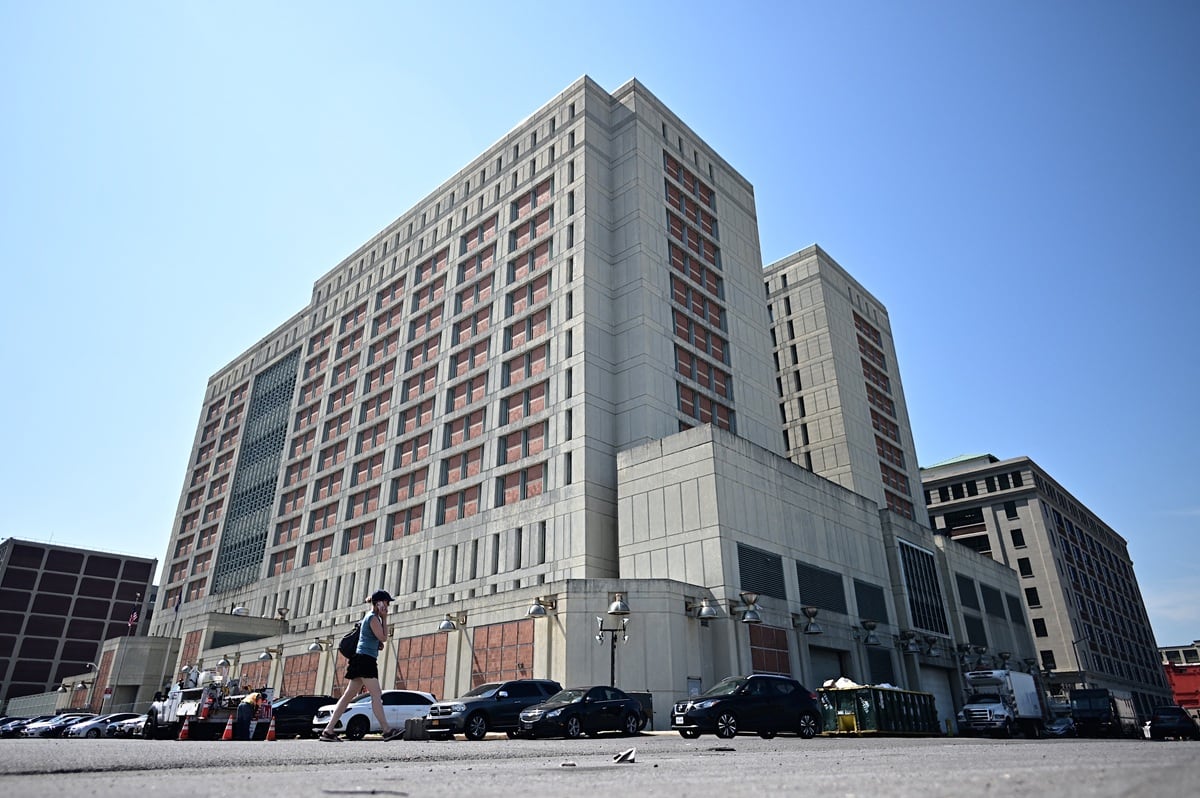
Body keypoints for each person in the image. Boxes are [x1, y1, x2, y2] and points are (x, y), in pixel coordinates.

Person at [319, 589, 401, 741]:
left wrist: (377, 641)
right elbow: (383, 638)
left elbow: (376, 640)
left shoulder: (370, 617)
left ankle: (328, 730)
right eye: (387, 603)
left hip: (361, 658)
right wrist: (385, 618)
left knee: (348, 696)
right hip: (365, 660)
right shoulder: (373, 618)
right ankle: (387, 730)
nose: (388, 606)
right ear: (379, 603)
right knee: (376, 694)